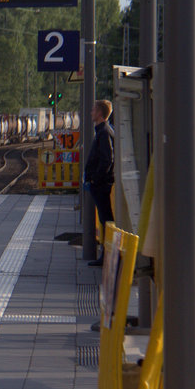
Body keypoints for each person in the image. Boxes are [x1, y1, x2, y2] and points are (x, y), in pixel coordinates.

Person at [84, 98, 115, 265]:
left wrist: (95, 179)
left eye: (93, 110)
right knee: (105, 221)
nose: (91, 112)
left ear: (100, 113)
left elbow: (107, 159)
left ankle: (107, 256)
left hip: (101, 186)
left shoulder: (104, 133)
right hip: (101, 184)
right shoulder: (103, 131)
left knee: (107, 221)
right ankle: (106, 255)